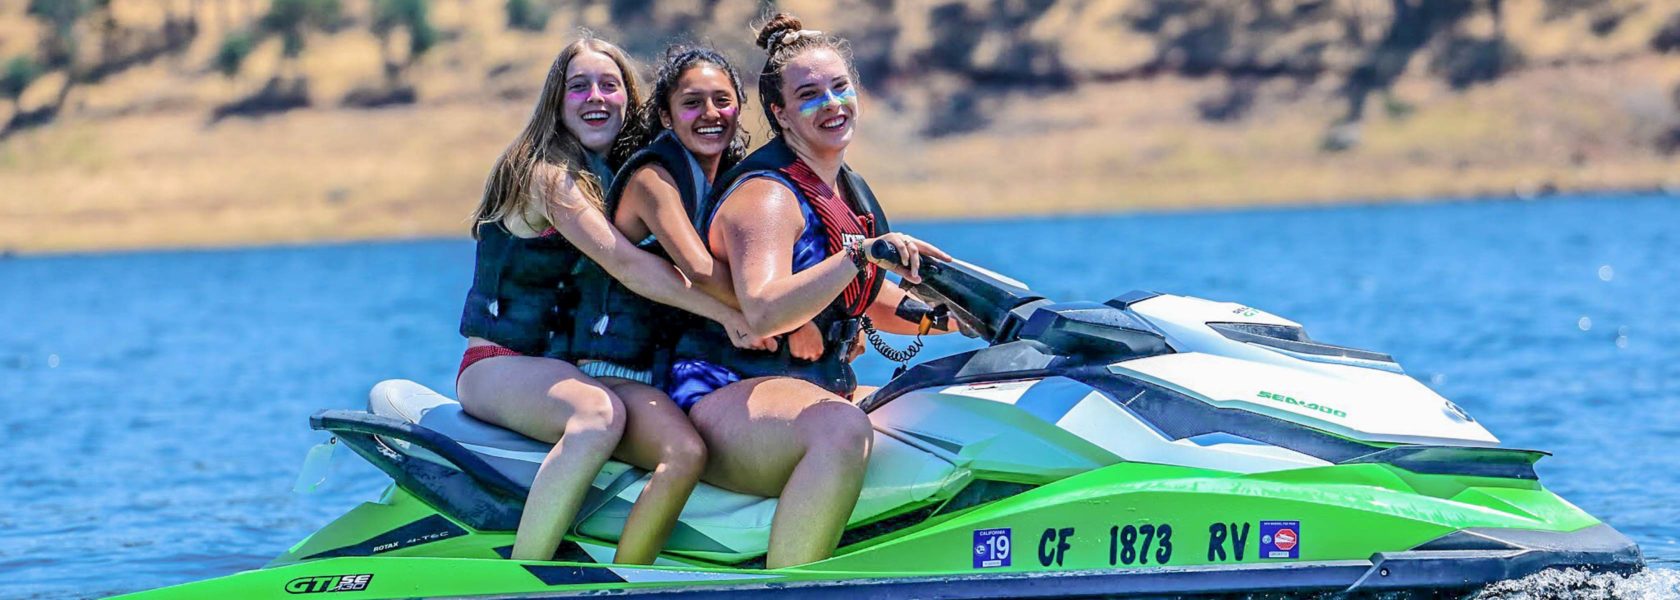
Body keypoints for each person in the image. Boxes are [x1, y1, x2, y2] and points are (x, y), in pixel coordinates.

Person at [455, 36, 762, 564]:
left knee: (677, 444)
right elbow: (625, 263)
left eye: (609, 85)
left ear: (629, 99)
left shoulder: (617, 175)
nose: (595, 97)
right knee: (597, 416)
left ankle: (630, 570)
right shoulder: (547, 174)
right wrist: (729, 313)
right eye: (579, 87)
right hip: (498, 364)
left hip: (561, 369)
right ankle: (525, 571)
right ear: (557, 101)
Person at [667, 13, 955, 568]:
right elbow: (767, 307)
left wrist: (952, 318)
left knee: (941, 407)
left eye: (840, 87)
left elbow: (863, 296)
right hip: (724, 390)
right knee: (841, 429)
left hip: (810, 384)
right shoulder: (768, 196)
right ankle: (791, 584)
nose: (831, 103)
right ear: (780, 114)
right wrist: (861, 253)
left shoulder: (847, 190)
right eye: (809, 95)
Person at [565, 44, 819, 564]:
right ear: (664, 114)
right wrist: (791, 319)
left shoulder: (725, 177)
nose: (710, 115)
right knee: (685, 453)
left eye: (723, 101)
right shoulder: (653, 179)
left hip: (659, 369)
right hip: (614, 368)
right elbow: (700, 268)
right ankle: (625, 580)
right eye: (692, 103)